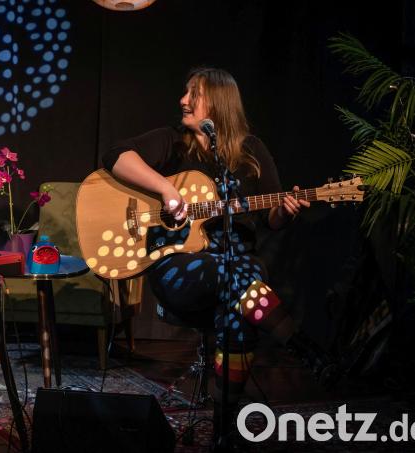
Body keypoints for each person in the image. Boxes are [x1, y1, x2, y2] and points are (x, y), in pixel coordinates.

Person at [102, 67, 335, 443]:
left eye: (193, 94)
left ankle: (223, 430)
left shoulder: (252, 153)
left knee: (237, 308)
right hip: (179, 269)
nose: (183, 101)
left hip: (238, 267)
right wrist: (166, 189)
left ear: (218, 102)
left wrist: (284, 211)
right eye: (185, 92)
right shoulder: (172, 142)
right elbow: (114, 155)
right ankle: (302, 346)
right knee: (238, 279)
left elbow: (270, 219)